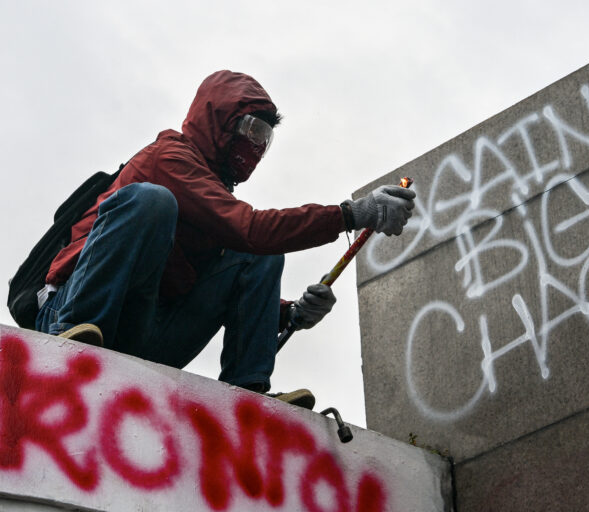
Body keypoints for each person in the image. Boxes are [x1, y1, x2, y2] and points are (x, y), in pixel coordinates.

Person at [34, 70, 415, 410]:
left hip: (142, 332)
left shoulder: (213, 196)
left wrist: (289, 314)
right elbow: (250, 229)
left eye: (265, 137)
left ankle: (249, 394)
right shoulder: (169, 159)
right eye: (253, 130)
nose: (258, 146)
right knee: (153, 201)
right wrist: (350, 214)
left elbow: (222, 269)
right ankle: (76, 334)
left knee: (258, 256)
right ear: (220, 123)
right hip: (71, 315)